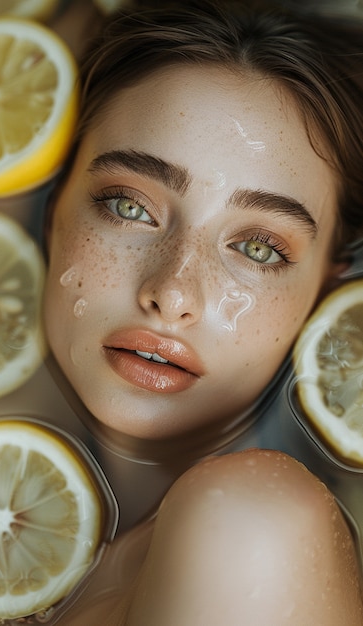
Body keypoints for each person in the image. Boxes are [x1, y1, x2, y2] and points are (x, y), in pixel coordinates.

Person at [41, 0, 363, 623]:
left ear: (326, 292)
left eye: (258, 248)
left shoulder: (254, 526)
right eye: (129, 207)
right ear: (55, 204)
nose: (174, 294)